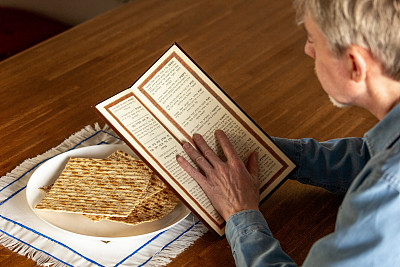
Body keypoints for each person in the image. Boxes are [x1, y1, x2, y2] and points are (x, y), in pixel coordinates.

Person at [176, 0, 400, 266]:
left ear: (355, 64)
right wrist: (274, 153)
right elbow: (371, 156)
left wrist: (240, 213)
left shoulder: (387, 194)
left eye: (312, 40)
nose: (308, 50)